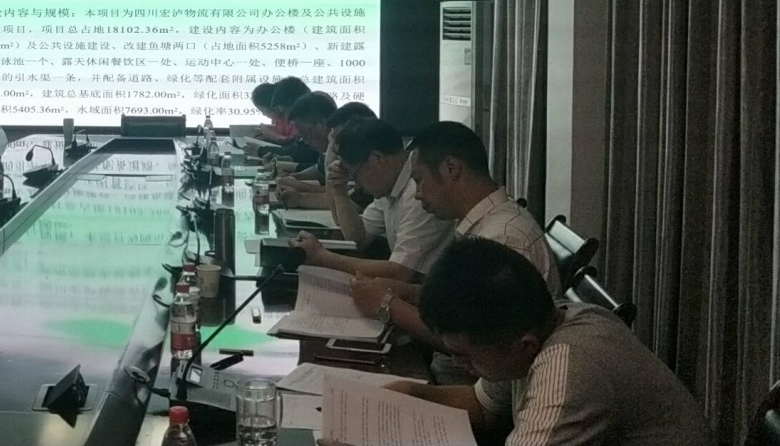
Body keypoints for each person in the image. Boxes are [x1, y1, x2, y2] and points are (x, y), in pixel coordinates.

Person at [383, 237, 711, 446]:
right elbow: (482, 405)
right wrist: (408, 394)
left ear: (524, 346)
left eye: (465, 356)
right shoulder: (542, 319)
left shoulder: (570, 368)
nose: (458, 363)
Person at [348, 121, 559, 360]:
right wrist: (411, 292)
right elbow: (468, 305)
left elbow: (477, 341)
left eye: (419, 180)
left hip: (464, 376)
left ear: (451, 169)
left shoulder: (503, 237)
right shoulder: (481, 223)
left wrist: (387, 304)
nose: (417, 194)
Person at [291, 117, 453, 281]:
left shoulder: (418, 192)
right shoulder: (390, 185)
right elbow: (358, 238)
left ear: (377, 158)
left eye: (356, 175)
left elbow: (401, 272)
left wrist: (322, 257)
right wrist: (339, 191)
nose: (358, 185)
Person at [279, 100, 375, 210]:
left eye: (304, 135)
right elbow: (347, 193)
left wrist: (300, 197)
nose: (305, 141)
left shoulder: (368, 165)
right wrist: (299, 187)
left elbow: (346, 204)